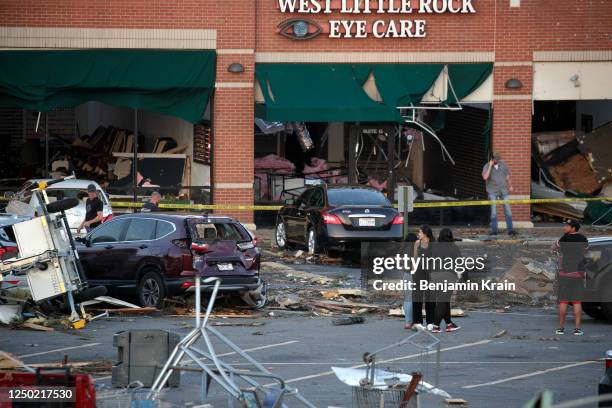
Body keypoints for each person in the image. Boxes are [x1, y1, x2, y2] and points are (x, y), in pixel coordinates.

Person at [554, 219, 588, 336]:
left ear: (573, 228)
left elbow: (555, 247)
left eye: (567, 226)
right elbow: (586, 250)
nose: (565, 228)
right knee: (577, 302)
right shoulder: (583, 239)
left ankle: (560, 328)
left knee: (563, 301)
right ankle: (577, 329)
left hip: (565, 273)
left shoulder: (564, 239)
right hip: (578, 273)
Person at [430, 228, 461, 333]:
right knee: (443, 301)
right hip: (448, 276)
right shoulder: (453, 247)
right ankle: (436, 326)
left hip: (434, 276)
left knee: (444, 300)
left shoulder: (434, 247)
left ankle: (449, 324)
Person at [482, 153, 516, 236]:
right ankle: (494, 231)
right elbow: (485, 177)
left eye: (498, 159)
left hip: (503, 190)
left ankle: (510, 230)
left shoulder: (503, 164)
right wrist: (490, 166)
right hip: (492, 191)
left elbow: (507, 176)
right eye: (496, 159)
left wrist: (510, 185)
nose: (497, 161)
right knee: (493, 212)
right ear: (492, 159)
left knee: (508, 211)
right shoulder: (486, 166)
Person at [412, 225, 436, 331]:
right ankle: (417, 322)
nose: (418, 234)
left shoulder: (433, 244)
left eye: (420, 232)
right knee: (417, 298)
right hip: (418, 273)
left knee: (430, 298)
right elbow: (415, 258)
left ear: (425, 233)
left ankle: (431, 321)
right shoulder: (417, 243)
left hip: (430, 274)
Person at [403, 232, 418, 330]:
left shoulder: (404, 249)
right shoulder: (415, 249)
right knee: (412, 299)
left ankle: (407, 321)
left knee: (407, 299)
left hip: (406, 274)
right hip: (413, 274)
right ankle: (411, 321)